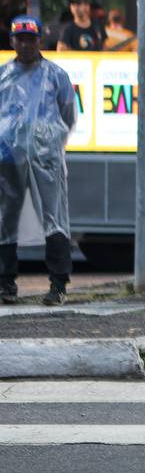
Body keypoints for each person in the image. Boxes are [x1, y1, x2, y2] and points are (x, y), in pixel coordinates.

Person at [0, 16, 76, 306]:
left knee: (54, 216)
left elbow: (68, 114)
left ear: (39, 41)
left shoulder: (55, 75)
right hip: (8, 158)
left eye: (30, 38)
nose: (25, 44)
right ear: (12, 41)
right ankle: (6, 283)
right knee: (6, 218)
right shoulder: (3, 75)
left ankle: (58, 284)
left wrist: (49, 141)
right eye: (20, 38)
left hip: (45, 158)